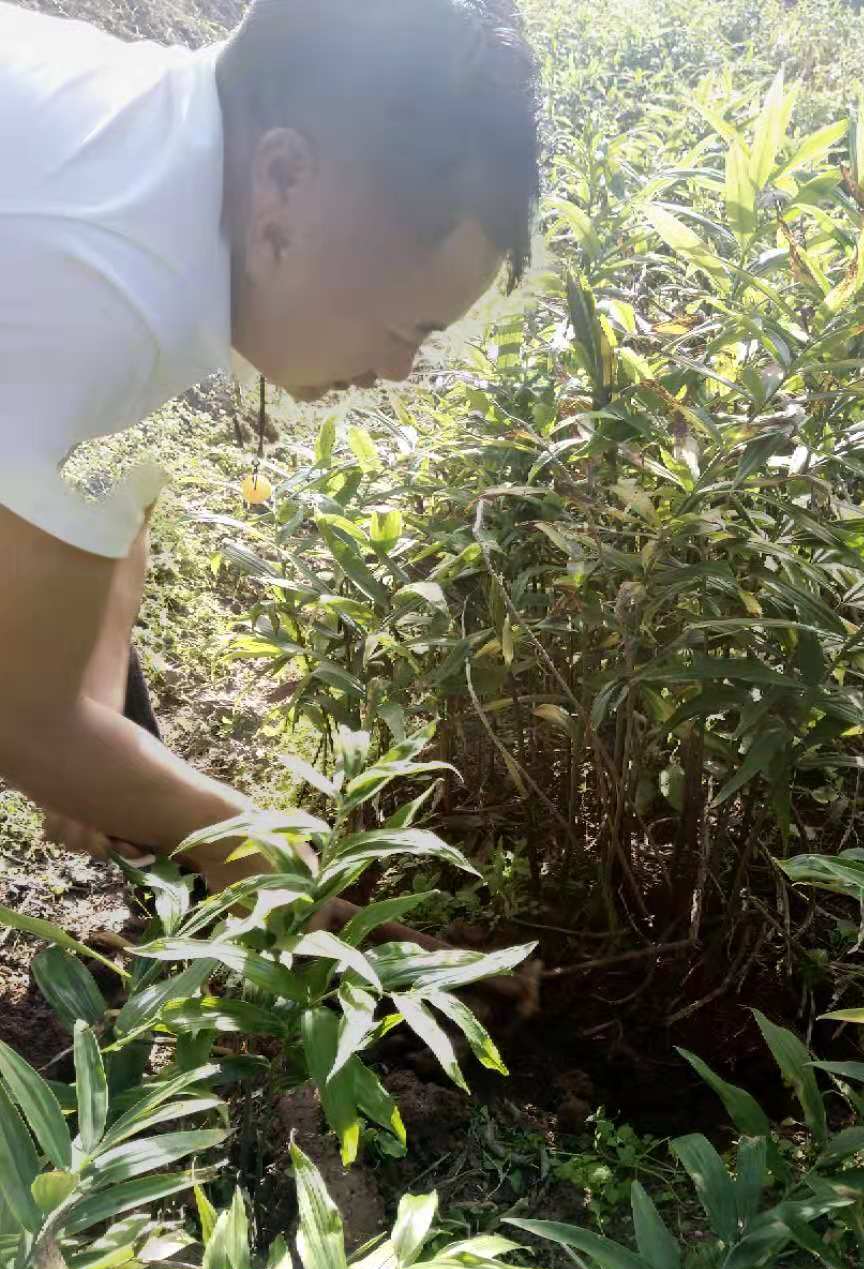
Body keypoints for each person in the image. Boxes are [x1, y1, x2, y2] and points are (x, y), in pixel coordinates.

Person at [0, 0, 540, 900]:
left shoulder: (174, 140)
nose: (401, 369)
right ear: (287, 181)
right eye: (407, 326)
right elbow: (16, 717)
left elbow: (100, 493)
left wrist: (100, 731)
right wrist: (242, 842)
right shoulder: (111, 289)